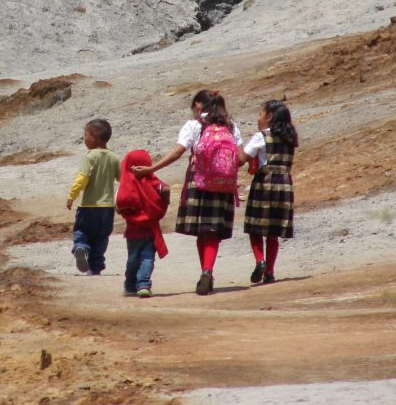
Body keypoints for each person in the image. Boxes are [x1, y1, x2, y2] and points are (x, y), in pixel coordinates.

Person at [133, 90, 242, 295]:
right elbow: (241, 157)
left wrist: (151, 169)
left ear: (198, 105)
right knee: (212, 230)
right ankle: (207, 271)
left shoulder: (194, 125)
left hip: (198, 180)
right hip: (223, 184)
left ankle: (206, 273)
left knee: (202, 229)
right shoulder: (231, 126)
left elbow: (178, 151)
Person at [239, 100, 298, 285]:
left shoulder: (261, 137)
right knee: (273, 230)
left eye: (260, 114)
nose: (258, 118)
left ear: (269, 117)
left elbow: (241, 158)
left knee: (254, 227)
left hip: (264, 182)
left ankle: (260, 261)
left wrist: (238, 142)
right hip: (285, 184)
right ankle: (270, 272)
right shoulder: (290, 137)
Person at [67, 118, 121, 275]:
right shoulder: (114, 157)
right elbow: (122, 180)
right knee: (101, 237)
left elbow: (82, 179)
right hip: (107, 208)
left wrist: (72, 196)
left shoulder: (89, 157)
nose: (84, 138)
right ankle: (95, 268)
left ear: (94, 136)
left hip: (88, 206)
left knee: (82, 231)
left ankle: (81, 248)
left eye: (86, 135)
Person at [116, 149, 170, 298]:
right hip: (151, 231)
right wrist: (163, 204)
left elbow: (120, 204)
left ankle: (130, 286)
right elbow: (165, 189)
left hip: (133, 232)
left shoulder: (127, 184)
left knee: (132, 259)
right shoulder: (152, 179)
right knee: (147, 258)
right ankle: (144, 285)